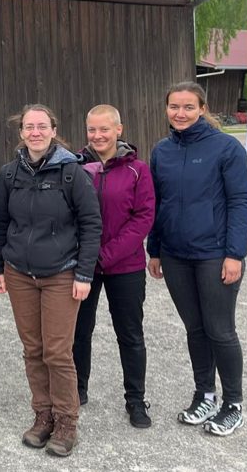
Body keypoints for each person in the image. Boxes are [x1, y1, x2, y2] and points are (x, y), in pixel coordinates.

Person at [0, 104, 101, 457]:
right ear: (20, 132)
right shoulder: (9, 175)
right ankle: (43, 416)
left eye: (41, 126)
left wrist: (84, 273)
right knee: (33, 350)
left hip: (60, 274)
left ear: (53, 130)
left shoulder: (72, 173)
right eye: (28, 127)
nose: (35, 132)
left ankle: (67, 421)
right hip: (19, 274)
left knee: (57, 351)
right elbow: (2, 223)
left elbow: (90, 225)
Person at [147, 81, 247, 436]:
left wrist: (234, 254)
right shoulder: (161, 151)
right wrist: (155, 249)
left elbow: (240, 201)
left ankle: (232, 404)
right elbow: (158, 204)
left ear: (202, 108)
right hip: (176, 255)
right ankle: (204, 393)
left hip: (214, 254)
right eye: (174, 106)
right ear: (166, 109)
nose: (180, 113)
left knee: (219, 330)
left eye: (188, 107)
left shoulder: (226, 148)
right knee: (195, 329)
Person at [72, 104, 155, 428]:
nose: (97, 136)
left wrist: (104, 255)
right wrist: (87, 258)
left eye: (104, 129)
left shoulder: (138, 170)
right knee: (79, 332)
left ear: (119, 130)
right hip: (84, 267)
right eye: (92, 129)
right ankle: (77, 390)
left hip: (125, 267)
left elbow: (143, 218)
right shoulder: (77, 167)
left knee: (130, 335)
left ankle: (135, 399)